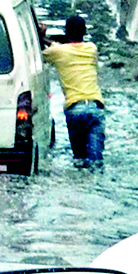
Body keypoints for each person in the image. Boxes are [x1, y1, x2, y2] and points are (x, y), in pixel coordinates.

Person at [42, 14, 105, 168]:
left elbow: (46, 53)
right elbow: (63, 48)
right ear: (84, 32)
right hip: (95, 107)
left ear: (66, 32)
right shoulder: (92, 49)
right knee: (96, 162)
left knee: (79, 160)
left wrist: (41, 36)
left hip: (74, 109)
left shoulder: (58, 53)